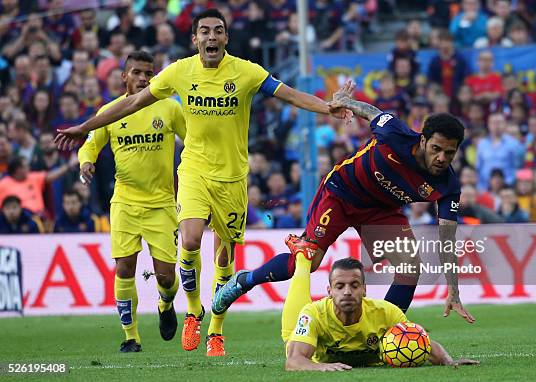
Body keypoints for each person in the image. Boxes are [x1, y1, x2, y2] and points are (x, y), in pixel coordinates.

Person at [55, 9, 349, 357]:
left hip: (233, 177)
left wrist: (326, 107)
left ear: (226, 38)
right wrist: (85, 128)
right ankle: (194, 310)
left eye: (218, 31)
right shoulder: (180, 71)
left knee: (224, 259)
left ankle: (216, 330)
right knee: (191, 239)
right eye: (205, 31)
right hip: (193, 170)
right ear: (194, 39)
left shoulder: (246, 71)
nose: (212, 37)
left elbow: (289, 95)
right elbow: (132, 102)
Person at [213, 82, 476, 336]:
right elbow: (371, 112)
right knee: (307, 260)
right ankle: (244, 281)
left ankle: (387, 336)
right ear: (422, 140)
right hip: (341, 193)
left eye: (449, 153)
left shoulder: (448, 185)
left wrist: (453, 289)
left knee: (410, 266)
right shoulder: (395, 134)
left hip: (380, 211)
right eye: (436, 149)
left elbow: (447, 240)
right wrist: (344, 102)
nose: (441, 158)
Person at [77, 50, 186, 353]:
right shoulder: (110, 112)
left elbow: (194, 140)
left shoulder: (169, 109)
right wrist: (85, 163)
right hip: (124, 202)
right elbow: (89, 146)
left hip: (162, 204)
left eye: (148, 74)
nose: (142, 78)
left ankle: (166, 303)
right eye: (136, 73)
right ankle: (130, 336)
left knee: (165, 276)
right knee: (124, 268)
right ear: (124, 76)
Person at [285, 258, 479, 370]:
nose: (347, 292)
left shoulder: (386, 312)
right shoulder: (314, 313)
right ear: (329, 291)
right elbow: (293, 362)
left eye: (354, 285)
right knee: (290, 340)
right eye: (339, 286)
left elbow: (417, 341)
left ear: (364, 289)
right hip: (304, 337)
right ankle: (302, 259)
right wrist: (320, 366)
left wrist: (448, 361)